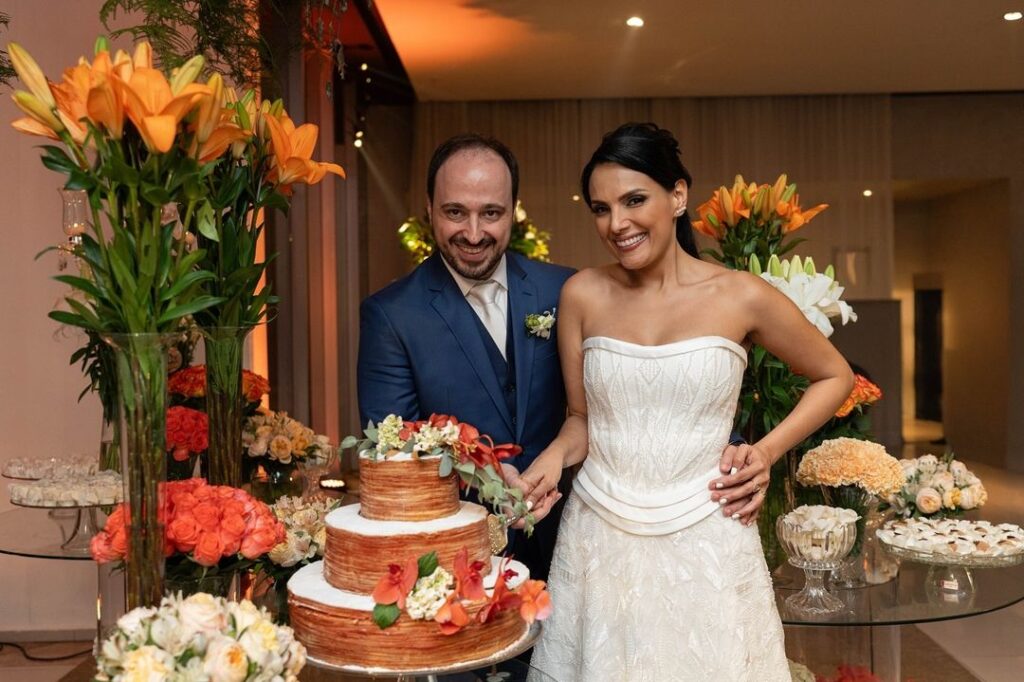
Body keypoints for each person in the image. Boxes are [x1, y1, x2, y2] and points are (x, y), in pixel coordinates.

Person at [522, 123, 854, 681]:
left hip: (709, 526)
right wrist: (555, 454)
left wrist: (765, 452)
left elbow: (834, 375)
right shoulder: (582, 293)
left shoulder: (739, 294)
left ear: (677, 196)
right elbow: (581, 419)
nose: (617, 224)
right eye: (600, 209)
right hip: (601, 533)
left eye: (634, 200)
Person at [356, 133, 763, 582]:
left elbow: (655, 379)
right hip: (458, 561)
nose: (473, 233)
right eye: (456, 212)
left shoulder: (568, 289)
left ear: (513, 211)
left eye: (491, 213)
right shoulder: (391, 315)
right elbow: (391, 454)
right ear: (429, 208)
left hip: (584, 549)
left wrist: (736, 450)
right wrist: (484, 480)